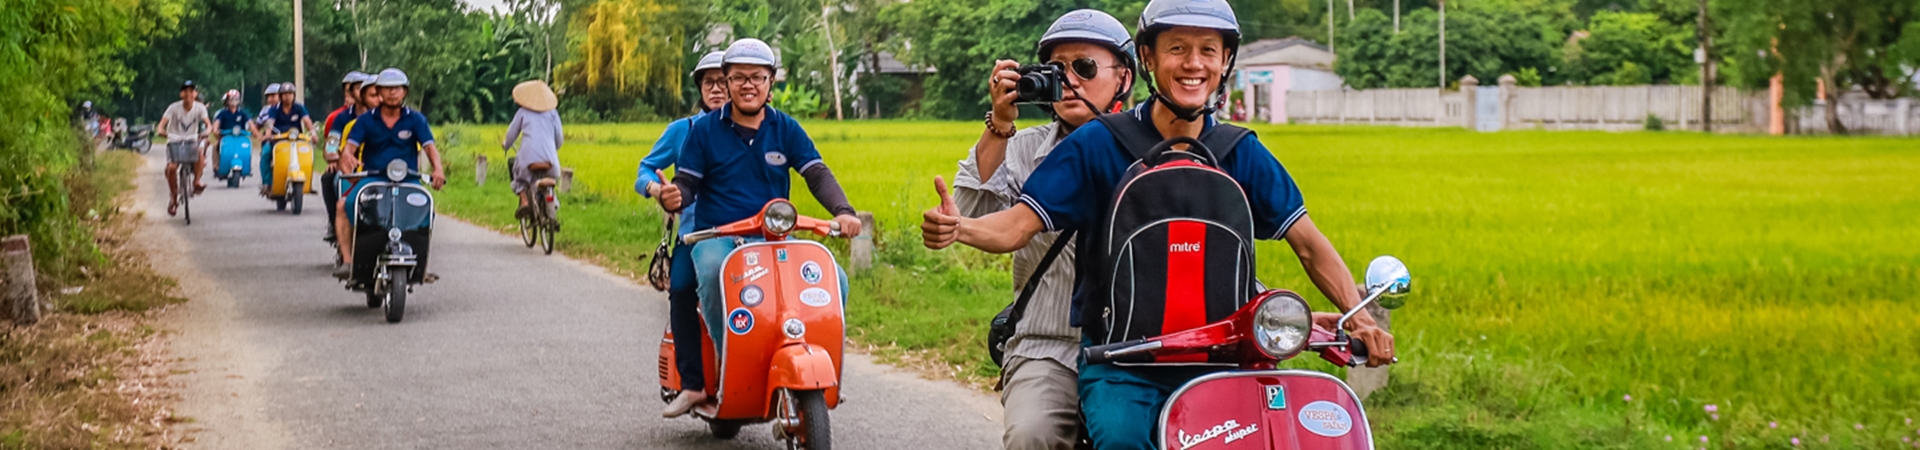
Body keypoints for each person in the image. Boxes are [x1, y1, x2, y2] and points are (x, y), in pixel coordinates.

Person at [920, 1, 1396, 448]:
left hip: (1222, 360)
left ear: (1226, 60)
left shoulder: (1239, 151)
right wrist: (960, 228)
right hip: (1123, 362)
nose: (1194, 64)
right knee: (1119, 439)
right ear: (1147, 58)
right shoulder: (1098, 145)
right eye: (1177, 49)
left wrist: (1361, 316)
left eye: (1208, 49)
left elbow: (1308, 243)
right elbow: (1018, 226)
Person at [949, 9, 1135, 450]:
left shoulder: (1148, 148)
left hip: (1135, 345)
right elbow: (970, 214)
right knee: (1031, 435)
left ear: (1124, 77)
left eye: (1085, 67)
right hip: (1047, 345)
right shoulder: (1025, 148)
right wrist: (999, 122)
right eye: (1057, 69)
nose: (1069, 79)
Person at [655, 39, 864, 417]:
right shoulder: (703, 131)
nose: (747, 84)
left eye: (757, 77)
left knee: (835, 280)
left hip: (774, 238)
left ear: (771, 82)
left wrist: (844, 211)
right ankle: (729, 366)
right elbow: (686, 183)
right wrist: (674, 196)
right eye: (737, 77)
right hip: (718, 237)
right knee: (717, 274)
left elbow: (815, 172)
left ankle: (817, 367)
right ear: (728, 81)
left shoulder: (786, 128)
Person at [635, 49, 726, 416]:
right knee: (683, 287)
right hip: (695, 235)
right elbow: (645, 170)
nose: (717, 90)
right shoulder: (683, 131)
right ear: (700, 89)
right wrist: (657, 190)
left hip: (750, 233)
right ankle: (692, 383)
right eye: (709, 83)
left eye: (724, 82)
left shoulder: (756, 128)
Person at [334, 68, 446, 277]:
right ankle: (348, 261)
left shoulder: (416, 119)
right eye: (387, 89)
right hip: (373, 177)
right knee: (344, 205)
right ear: (379, 91)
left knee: (425, 208)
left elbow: (430, 148)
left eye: (397, 88)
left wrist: (438, 170)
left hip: (408, 178)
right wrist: (347, 157)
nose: (393, 93)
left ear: (405, 92)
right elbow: (349, 147)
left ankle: (421, 263)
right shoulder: (366, 120)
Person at [503, 79, 564, 220]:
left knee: (518, 175)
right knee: (549, 180)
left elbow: (511, 134)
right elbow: (559, 138)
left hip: (528, 160)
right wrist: (552, 150)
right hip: (551, 162)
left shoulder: (523, 112)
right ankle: (552, 204)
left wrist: (506, 145)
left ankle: (524, 201)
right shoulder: (553, 113)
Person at [322, 72, 369, 242]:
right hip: (349, 167)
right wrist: (334, 158)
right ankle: (336, 223)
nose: (363, 91)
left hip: (375, 166)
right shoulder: (342, 118)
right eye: (358, 88)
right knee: (330, 179)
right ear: (351, 93)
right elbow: (332, 142)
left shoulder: (383, 116)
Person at [157, 80, 213, 216]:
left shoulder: (200, 108)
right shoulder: (173, 108)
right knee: (171, 168)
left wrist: (207, 132)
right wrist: (162, 132)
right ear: (181, 94)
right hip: (175, 141)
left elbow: (208, 124)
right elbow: (161, 125)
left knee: (199, 153)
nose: (188, 94)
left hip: (191, 140)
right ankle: (173, 197)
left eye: (191, 91)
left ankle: (197, 181)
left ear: (195, 94)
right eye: (185, 91)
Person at [263, 82, 315, 195]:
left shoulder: (299, 107)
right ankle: (267, 183)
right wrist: (268, 134)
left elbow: (307, 120)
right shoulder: (274, 109)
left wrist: (313, 133)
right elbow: (270, 122)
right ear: (280, 96)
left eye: (290, 94)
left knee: (309, 154)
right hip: (278, 139)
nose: (288, 96)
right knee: (265, 153)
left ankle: (309, 183)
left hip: (297, 139)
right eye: (285, 94)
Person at [210, 90, 254, 176]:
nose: (233, 101)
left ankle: (247, 165)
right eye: (231, 99)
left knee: (248, 146)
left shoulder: (242, 112)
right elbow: (217, 122)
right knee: (216, 146)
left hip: (240, 136)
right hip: (225, 136)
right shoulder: (222, 113)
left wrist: (253, 131)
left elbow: (250, 123)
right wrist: (215, 129)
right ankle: (216, 166)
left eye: (236, 99)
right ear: (227, 101)